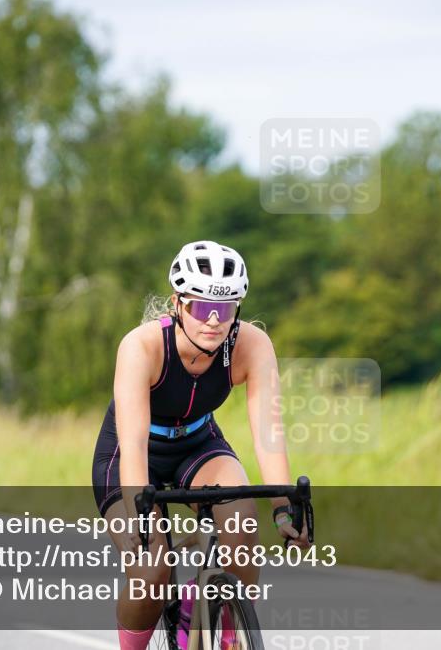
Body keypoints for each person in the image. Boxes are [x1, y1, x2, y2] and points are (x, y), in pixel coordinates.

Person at [91, 240, 310, 650]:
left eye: (224, 309)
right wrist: (141, 519)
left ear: (237, 311)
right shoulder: (141, 347)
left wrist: (284, 507)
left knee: (243, 528)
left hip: (198, 443)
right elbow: (134, 444)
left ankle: (216, 621)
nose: (212, 320)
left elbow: (269, 429)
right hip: (132, 453)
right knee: (151, 570)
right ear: (177, 304)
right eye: (199, 306)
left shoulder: (251, 345)